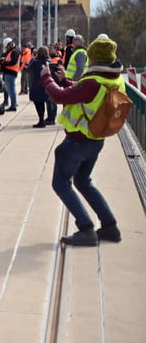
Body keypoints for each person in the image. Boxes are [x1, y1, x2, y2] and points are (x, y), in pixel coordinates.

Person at [39, 36, 124, 246]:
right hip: (96, 139)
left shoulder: (93, 82)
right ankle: (110, 226)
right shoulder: (114, 80)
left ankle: (86, 228)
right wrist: (65, 80)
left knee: (60, 183)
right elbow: (82, 93)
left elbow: (60, 97)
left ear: (94, 58)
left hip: (77, 141)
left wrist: (46, 79)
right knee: (83, 181)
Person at [27, 45, 50, 127]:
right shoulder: (49, 61)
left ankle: (41, 119)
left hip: (37, 84)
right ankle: (43, 119)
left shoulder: (36, 62)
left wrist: (33, 59)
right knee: (43, 102)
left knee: (37, 102)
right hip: (46, 84)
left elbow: (28, 69)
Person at [0, 37, 20, 112]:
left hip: (11, 73)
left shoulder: (14, 52)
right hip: (8, 73)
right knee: (9, 89)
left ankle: (13, 105)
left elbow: (13, 62)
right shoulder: (10, 52)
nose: (6, 48)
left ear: (9, 45)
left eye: (7, 46)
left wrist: (4, 63)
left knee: (11, 89)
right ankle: (13, 104)